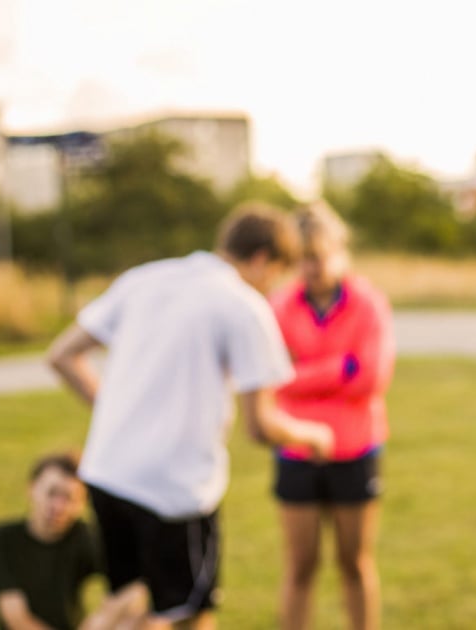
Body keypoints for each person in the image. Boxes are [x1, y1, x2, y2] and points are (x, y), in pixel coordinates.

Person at [46, 202, 334, 630]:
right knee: (190, 615)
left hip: (107, 472)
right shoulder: (243, 306)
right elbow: (261, 426)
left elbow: (62, 355)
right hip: (174, 488)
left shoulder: (143, 279)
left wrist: (118, 412)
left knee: (125, 606)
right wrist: (313, 436)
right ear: (261, 259)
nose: (271, 287)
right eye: (275, 274)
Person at [269, 201, 396, 630]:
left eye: (319, 256)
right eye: (302, 258)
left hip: (355, 446)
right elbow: (272, 377)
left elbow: (372, 377)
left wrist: (303, 374)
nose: (312, 266)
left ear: (340, 250)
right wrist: (340, 368)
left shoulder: (368, 304)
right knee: (300, 567)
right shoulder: (279, 306)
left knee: (355, 564)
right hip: (297, 449)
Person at [0, 451, 147, 630]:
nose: (58, 507)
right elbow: (16, 618)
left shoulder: (82, 535)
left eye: (69, 498)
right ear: (31, 488)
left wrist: (101, 619)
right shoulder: (4, 539)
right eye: (52, 493)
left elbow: (134, 585)